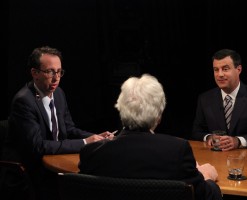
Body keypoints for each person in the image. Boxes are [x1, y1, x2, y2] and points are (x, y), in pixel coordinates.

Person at [79, 74, 223, 200]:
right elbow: (205, 195)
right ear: (158, 116)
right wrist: (207, 178)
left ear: (121, 110)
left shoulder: (90, 153)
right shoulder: (177, 152)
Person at [2, 46, 114, 200]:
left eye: (59, 71)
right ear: (35, 73)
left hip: (52, 165)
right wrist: (85, 142)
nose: (56, 78)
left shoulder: (59, 93)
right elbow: (38, 146)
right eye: (50, 72)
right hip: (29, 173)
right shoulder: (24, 101)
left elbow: (68, 128)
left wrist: (95, 137)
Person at [191, 49, 247, 150]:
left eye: (225, 69)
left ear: (238, 69)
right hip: (215, 158)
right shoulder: (205, 98)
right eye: (216, 70)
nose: (220, 74)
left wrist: (237, 141)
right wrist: (209, 137)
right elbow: (196, 132)